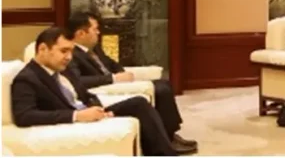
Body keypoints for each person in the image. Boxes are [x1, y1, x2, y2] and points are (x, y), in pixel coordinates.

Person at [11, 27, 178, 156]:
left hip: (89, 112)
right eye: (63, 51)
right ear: (42, 49)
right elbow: (24, 116)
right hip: (73, 120)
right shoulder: (27, 78)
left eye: (71, 51)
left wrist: (99, 109)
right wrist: (77, 116)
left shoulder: (62, 69)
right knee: (139, 106)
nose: (69, 57)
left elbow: (86, 95)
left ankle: (165, 150)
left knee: (139, 104)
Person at [65, 11, 196, 154]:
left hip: (117, 85)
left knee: (163, 84)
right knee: (158, 92)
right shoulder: (71, 54)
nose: (98, 32)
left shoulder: (94, 47)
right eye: (95, 29)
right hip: (106, 90)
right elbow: (79, 81)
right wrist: (113, 79)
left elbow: (111, 63)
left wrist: (121, 72)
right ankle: (167, 143)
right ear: (81, 33)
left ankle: (170, 134)